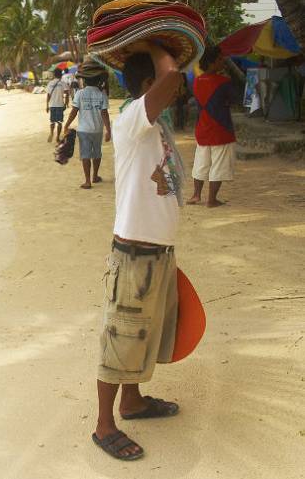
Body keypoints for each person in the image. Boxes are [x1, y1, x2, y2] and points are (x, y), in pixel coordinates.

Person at [92, 41, 184, 461]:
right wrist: (157, 42)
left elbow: (170, 78)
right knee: (121, 339)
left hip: (157, 250)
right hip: (134, 254)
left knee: (141, 337)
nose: (175, 89)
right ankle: (103, 425)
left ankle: (132, 401)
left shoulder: (154, 124)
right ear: (149, 85)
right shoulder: (133, 119)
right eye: (162, 83)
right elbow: (173, 75)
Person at [187, 46, 239, 208]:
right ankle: (212, 199)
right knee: (219, 165)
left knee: (201, 163)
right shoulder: (223, 82)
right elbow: (235, 99)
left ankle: (196, 195)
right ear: (212, 62)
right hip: (221, 130)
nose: (222, 62)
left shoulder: (197, 81)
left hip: (203, 128)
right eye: (220, 59)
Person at [62, 61, 111, 188]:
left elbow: (74, 111)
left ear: (84, 80)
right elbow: (104, 113)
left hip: (83, 130)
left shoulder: (80, 93)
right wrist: (108, 130)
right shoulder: (102, 94)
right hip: (97, 130)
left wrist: (66, 125)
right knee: (97, 153)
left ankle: (88, 181)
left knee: (85, 155)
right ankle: (95, 176)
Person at [45, 68, 68, 142]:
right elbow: (67, 94)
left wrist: (47, 106)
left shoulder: (50, 83)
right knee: (59, 122)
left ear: (54, 75)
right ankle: (57, 137)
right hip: (60, 105)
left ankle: (52, 133)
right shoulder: (63, 83)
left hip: (52, 105)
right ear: (61, 75)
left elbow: (48, 95)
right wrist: (66, 104)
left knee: (52, 121)